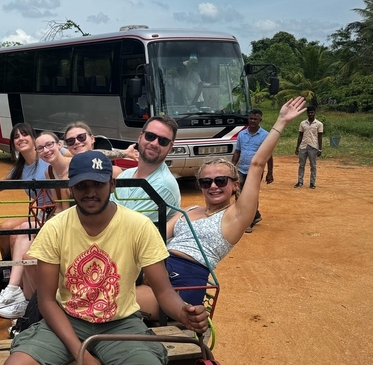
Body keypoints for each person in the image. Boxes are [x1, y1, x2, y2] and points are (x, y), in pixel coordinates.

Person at [0, 150, 209, 365]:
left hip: (120, 322)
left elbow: (163, 292)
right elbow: (48, 301)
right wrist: (80, 354)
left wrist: (185, 312)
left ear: (112, 184)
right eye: (81, 185)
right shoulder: (56, 228)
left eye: (97, 184)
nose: (90, 192)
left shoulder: (138, 225)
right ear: (71, 187)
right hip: (67, 320)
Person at [136, 98, 309, 321]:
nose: (214, 186)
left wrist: (281, 122)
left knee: (114, 300)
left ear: (235, 184)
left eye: (221, 180)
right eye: (207, 182)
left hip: (184, 283)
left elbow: (257, 164)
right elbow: (155, 237)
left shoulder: (235, 217)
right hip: (156, 270)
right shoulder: (188, 211)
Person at [0, 130, 71, 319]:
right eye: (41, 148)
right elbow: (60, 208)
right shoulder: (47, 171)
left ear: (60, 145)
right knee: (21, 234)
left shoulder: (71, 163)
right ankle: (16, 292)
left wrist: (124, 153)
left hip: (67, 222)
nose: (46, 150)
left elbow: (88, 152)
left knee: (23, 237)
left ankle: (21, 296)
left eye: (49, 145)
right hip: (51, 215)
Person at [110, 116, 181, 225]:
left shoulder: (164, 185)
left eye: (163, 141)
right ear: (140, 137)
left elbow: (128, 226)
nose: (154, 144)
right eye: (150, 136)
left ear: (170, 147)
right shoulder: (125, 175)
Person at [232, 108, 273, 232]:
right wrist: (232, 167)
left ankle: (248, 222)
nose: (252, 121)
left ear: (260, 120)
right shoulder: (242, 134)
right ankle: (252, 216)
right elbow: (237, 152)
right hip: (241, 169)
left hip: (255, 171)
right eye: (251, 118)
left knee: (251, 196)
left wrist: (270, 173)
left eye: (255, 119)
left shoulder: (265, 136)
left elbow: (269, 156)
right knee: (238, 194)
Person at [60, 121, 135, 178]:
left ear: (92, 139)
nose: (76, 142)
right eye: (70, 141)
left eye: (81, 137)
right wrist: (125, 153)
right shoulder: (67, 177)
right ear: (68, 146)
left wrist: (126, 153)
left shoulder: (114, 172)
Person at [294, 105, 324, 189]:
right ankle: (300, 182)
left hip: (313, 146)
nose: (310, 114)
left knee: (313, 166)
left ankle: (312, 183)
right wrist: (297, 148)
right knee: (301, 165)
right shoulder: (303, 123)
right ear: (307, 113)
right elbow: (300, 136)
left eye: (312, 112)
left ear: (314, 113)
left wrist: (320, 149)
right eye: (309, 113)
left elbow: (320, 137)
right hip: (303, 146)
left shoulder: (319, 124)